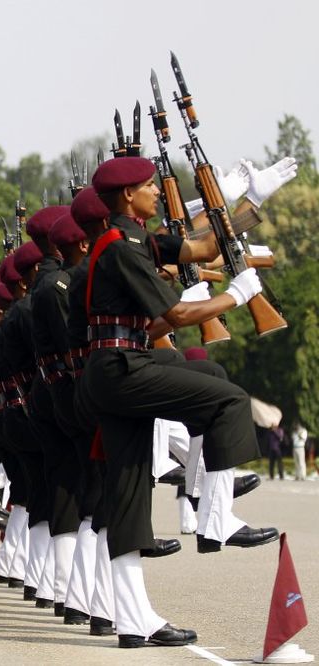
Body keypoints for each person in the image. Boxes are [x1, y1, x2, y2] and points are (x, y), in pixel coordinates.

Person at [77, 156, 278, 648]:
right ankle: (215, 519)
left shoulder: (135, 240)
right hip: (122, 369)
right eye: (149, 187)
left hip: (114, 370)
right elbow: (176, 313)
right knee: (226, 398)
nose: (155, 193)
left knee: (126, 497)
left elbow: (205, 244)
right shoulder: (121, 249)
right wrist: (234, 297)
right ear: (128, 197)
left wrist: (239, 202)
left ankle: (133, 621)